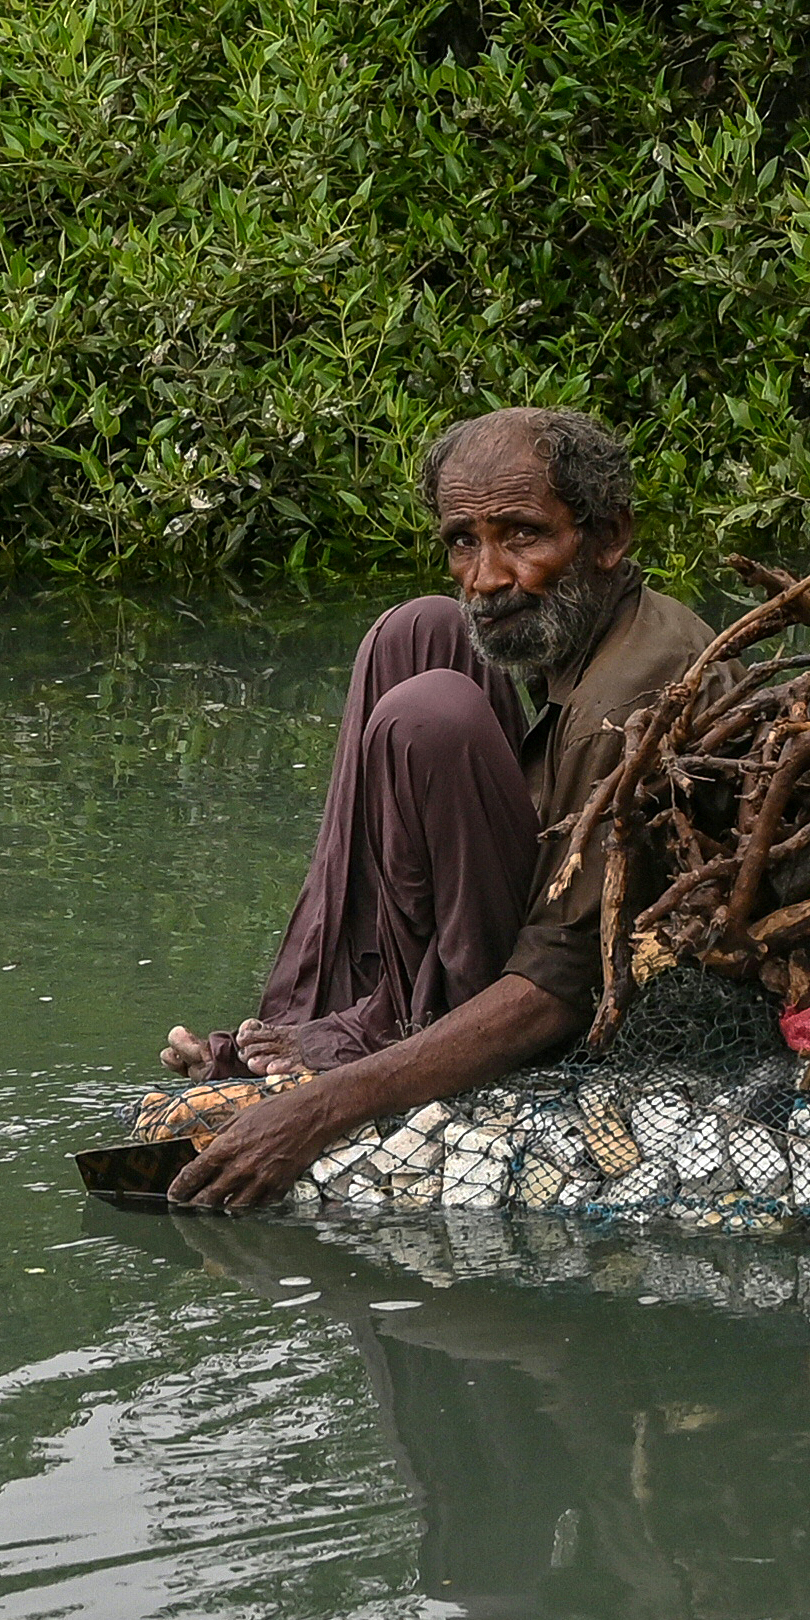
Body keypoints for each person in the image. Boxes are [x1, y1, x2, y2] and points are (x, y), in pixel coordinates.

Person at [158, 406, 710, 1212]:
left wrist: (320, 1109)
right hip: (532, 898)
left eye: (523, 536)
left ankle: (386, 1036)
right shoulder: (586, 622)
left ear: (610, 537)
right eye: (463, 540)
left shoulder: (620, 707)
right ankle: (321, 1011)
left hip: (568, 980)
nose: (485, 577)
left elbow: (559, 991)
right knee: (416, 633)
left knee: (431, 714)